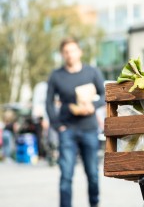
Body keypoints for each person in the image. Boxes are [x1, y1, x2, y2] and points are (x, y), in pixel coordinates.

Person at [46, 37, 105, 207]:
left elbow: (105, 94)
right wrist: (57, 126)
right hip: (67, 130)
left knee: (93, 174)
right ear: (62, 55)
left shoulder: (92, 72)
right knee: (66, 175)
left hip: (89, 129)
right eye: (66, 52)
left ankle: (94, 204)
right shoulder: (56, 76)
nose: (70, 55)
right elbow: (48, 102)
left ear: (80, 52)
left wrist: (93, 106)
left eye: (73, 51)